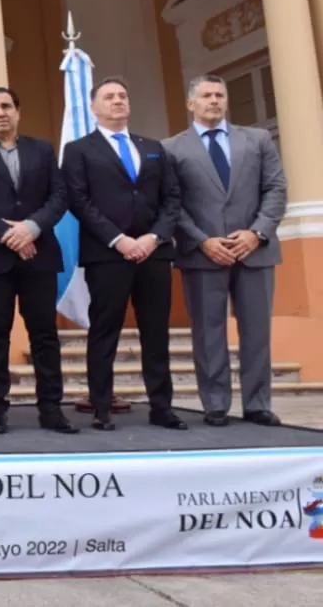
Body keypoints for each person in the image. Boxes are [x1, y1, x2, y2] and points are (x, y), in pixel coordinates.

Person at [61, 77, 186, 432]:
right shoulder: (79, 150)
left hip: (154, 254)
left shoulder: (153, 147)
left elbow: (171, 199)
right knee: (105, 331)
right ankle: (101, 407)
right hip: (107, 255)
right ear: (94, 107)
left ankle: (162, 407)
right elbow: (79, 201)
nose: (118, 101)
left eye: (122, 95)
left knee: (155, 332)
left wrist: (154, 237)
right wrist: (118, 239)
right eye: (109, 97)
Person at [163, 74, 287, 427]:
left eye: (219, 95)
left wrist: (256, 233)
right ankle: (215, 404)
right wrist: (202, 240)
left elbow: (275, 188)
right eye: (206, 96)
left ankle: (258, 403)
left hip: (255, 252)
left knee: (257, 331)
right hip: (203, 253)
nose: (214, 101)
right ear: (191, 104)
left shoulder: (258, 139)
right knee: (208, 331)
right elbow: (172, 203)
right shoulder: (172, 148)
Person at [0, 88, 75, 435]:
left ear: (18, 112)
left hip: (39, 254)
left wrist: (31, 228)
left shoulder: (42, 149)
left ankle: (51, 409)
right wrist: (7, 235)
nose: (0, 112)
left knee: (44, 334)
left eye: (7, 106)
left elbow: (59, 195)